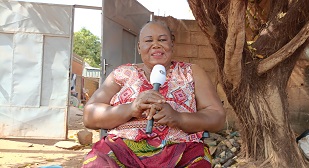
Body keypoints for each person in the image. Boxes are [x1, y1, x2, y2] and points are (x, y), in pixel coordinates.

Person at [82, 20, 225, 168]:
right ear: (139, 47)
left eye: (162, 40)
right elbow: (89, 116)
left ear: (172, 45)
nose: (156, 45)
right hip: (122, 149)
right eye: (149, 40)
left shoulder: (192, 72)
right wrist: (131, 108)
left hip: (181, 149)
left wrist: (178, 117)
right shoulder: (121, 74)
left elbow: (217, 117)